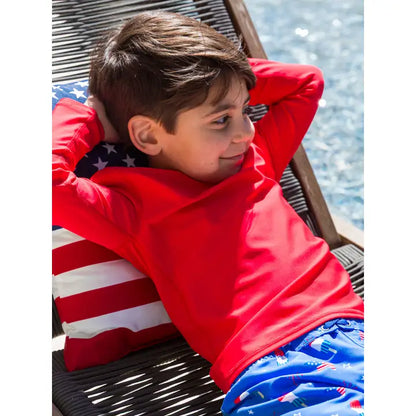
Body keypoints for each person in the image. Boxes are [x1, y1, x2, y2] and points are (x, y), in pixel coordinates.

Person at [53, 10, 364, 415]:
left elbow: (306, 82)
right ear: (147, 134)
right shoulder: (134, 210)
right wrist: (93, 116)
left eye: (245, 110)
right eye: (220, 120)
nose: (245, 131)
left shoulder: (255, 160)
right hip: (279, 367)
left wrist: (224, 80)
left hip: (356, 330)